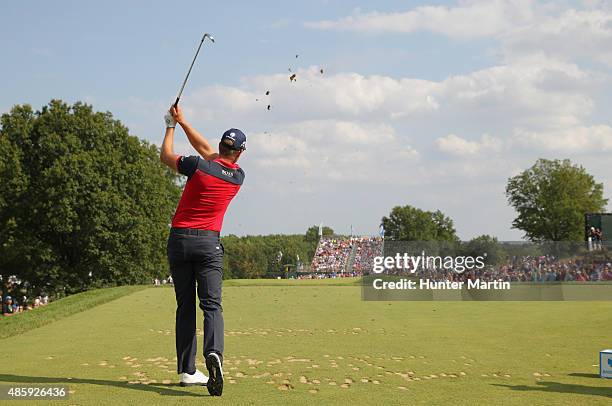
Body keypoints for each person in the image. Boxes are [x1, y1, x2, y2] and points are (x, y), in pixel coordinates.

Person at [160, 104, 246, 397]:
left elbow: (166, 156)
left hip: (180, 241)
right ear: (240, 153)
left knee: (185, 306)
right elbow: (208, 149)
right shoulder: (237, 177)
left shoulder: (199, 165)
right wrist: (182, 121)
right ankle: (214, 355)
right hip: (209, 244)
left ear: (221, 145)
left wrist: (171, 125)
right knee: (211, 305)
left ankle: (186, 370)